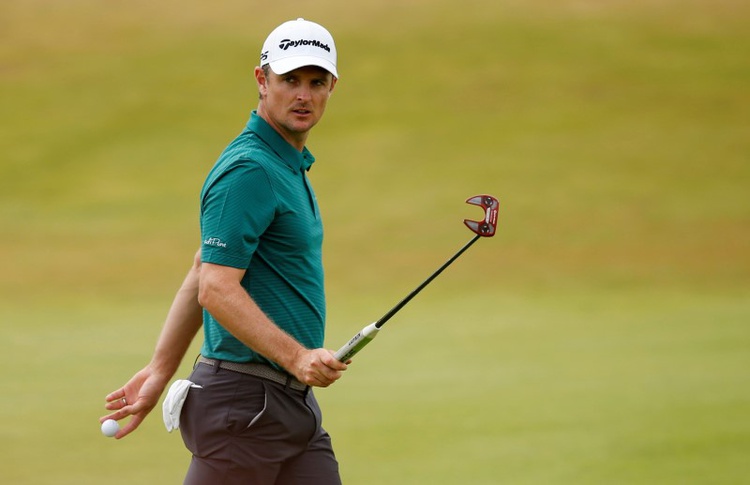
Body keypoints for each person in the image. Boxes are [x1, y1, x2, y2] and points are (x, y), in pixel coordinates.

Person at [100, 18, 348, 484]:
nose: (303, 95)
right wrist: (297, 358)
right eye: (289, 80)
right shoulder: (249, 168)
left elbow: (201, 269)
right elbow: (216, 288)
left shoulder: (286, 164)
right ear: (261, 79)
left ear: (332, 86)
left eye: (316, 82)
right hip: (245, 407)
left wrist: (159, 368)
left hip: (289, 408)